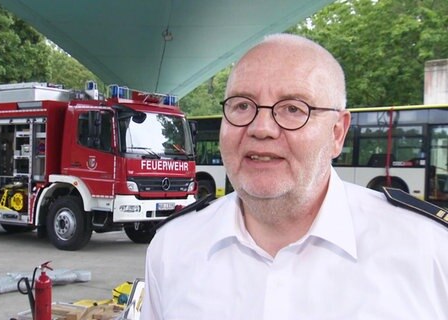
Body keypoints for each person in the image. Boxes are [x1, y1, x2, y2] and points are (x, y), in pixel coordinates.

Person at [140, 33, 448, 319]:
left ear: (337, 133)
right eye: (243, 105)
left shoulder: (430, 251)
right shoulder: (172, 248)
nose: (261, 128)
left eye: (292, 109)